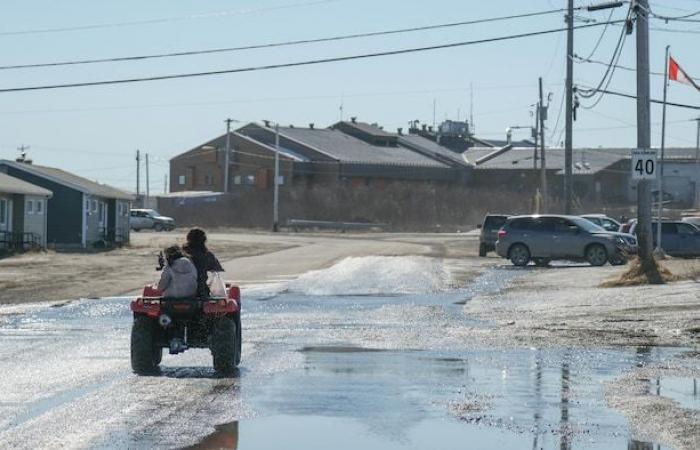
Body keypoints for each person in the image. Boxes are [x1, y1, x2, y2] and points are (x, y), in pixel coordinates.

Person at [183, 228, 224, 297]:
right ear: (204, 240)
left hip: (180, 291)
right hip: (200, 292)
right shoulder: (207, 255)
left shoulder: (180, 254)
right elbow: (217, 269)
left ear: (188, 239)